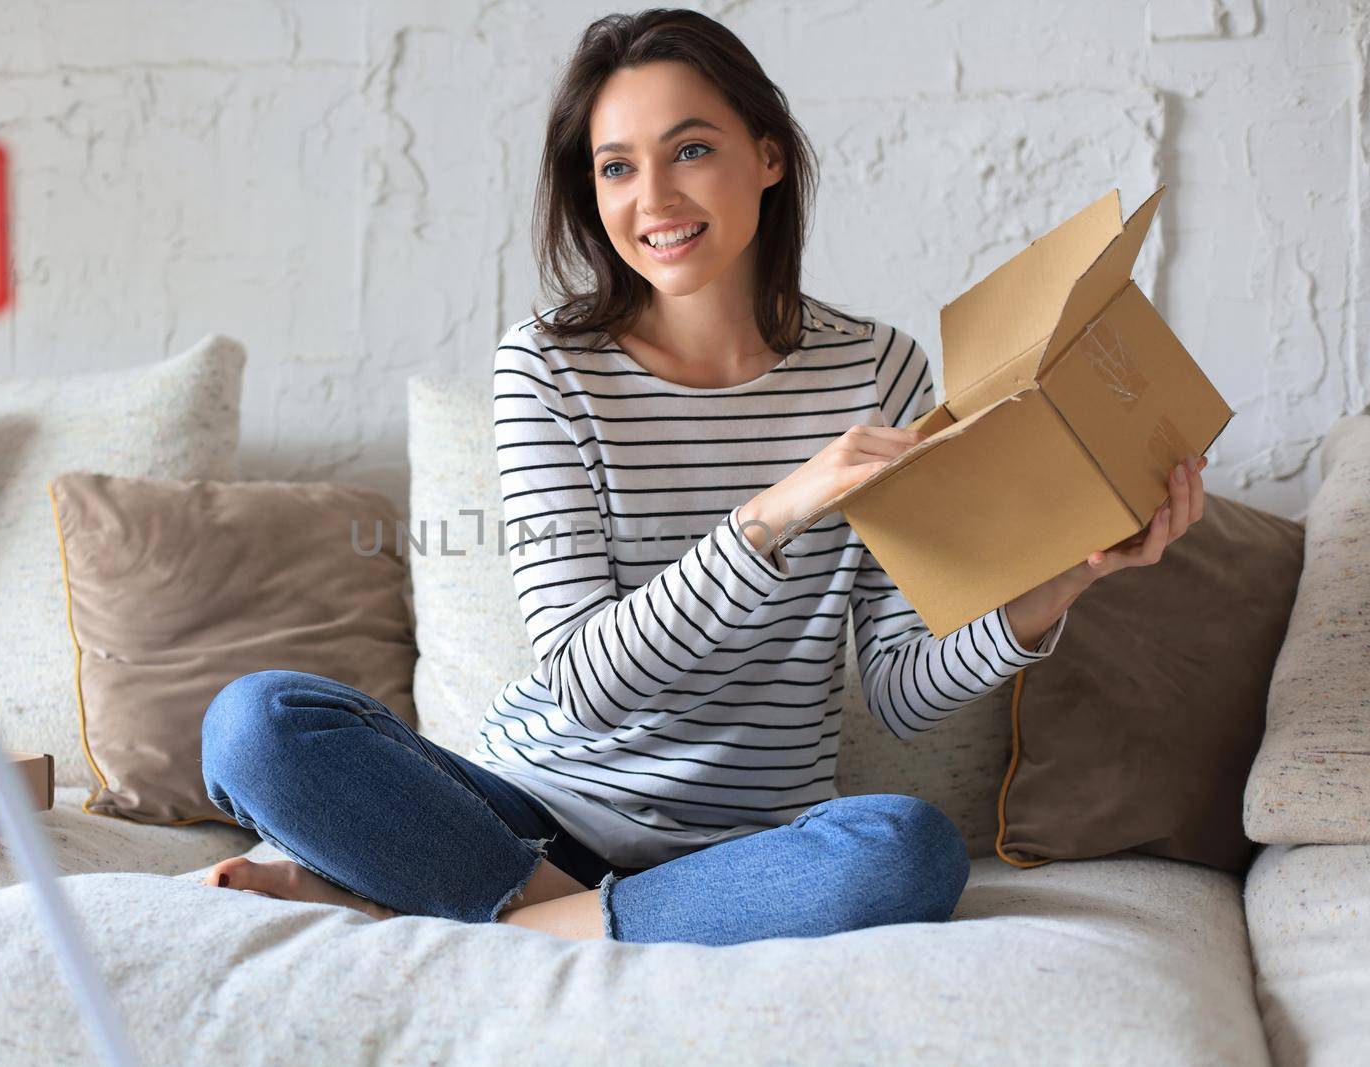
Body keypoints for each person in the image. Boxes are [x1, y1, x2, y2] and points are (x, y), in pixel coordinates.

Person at [199, 8, 1208, 946]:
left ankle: (467, 909)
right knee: (255, 723)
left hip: (739, 851)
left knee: (909, 848)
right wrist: (770, 515)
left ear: (767, 155)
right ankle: (555, 910)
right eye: (616, 168)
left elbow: (900, 686)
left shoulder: (876, 370)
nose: (654, 200)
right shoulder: (547, 368)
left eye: (689, 149)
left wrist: (1069, 576)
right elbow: (587, 687)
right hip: (520, 810)